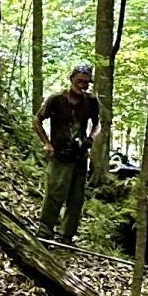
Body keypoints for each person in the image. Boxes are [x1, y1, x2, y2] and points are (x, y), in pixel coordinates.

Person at [38, 63, 102, 242]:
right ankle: (45, 229)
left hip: (80, 156)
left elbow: (98, 123)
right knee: (54, 192)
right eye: (80, 80)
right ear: (72, 78)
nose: (83, 84)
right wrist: (47, 144)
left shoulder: (90, 101)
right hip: (60, 155)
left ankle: (67, 235)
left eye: (86, 82)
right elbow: (37, 120)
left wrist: (91, 137)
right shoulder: (56, 99)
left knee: (76, 198)